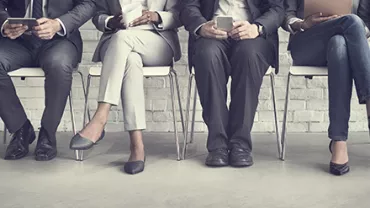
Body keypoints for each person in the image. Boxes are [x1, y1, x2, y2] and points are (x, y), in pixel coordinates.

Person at [70, 0, 181, 175]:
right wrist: (110, 22)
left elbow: (179, 15)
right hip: (117, 41)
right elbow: (98, 15)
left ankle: (100, 117)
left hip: (156, 40)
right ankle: (137, 146)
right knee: (130, 59)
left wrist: (157, 16)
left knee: (123, 39)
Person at [179, 0, 284, 167]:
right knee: (207, 56)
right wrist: (201, 26)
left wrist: (257, 28)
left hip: (252, 33)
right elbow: (187, 5)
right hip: (212, 32)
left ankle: (240, 144)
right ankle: (217, 145)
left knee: (248, 56)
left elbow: (277, 9)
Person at [0, 0, 95, 161]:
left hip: (60, 40)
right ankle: (20, 128)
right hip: (18, 41)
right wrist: (4, 23)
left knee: (59, 65)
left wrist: (59, 24)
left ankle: (48, 133)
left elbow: (89, 4)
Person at [283, 0, 370, 175]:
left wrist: (353, 28)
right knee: (351, 22)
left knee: (339, 43)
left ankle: (338, 141)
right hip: (307, 43)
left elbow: (366, 22)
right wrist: (302, 23)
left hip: (345, 43)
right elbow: (285, 14)